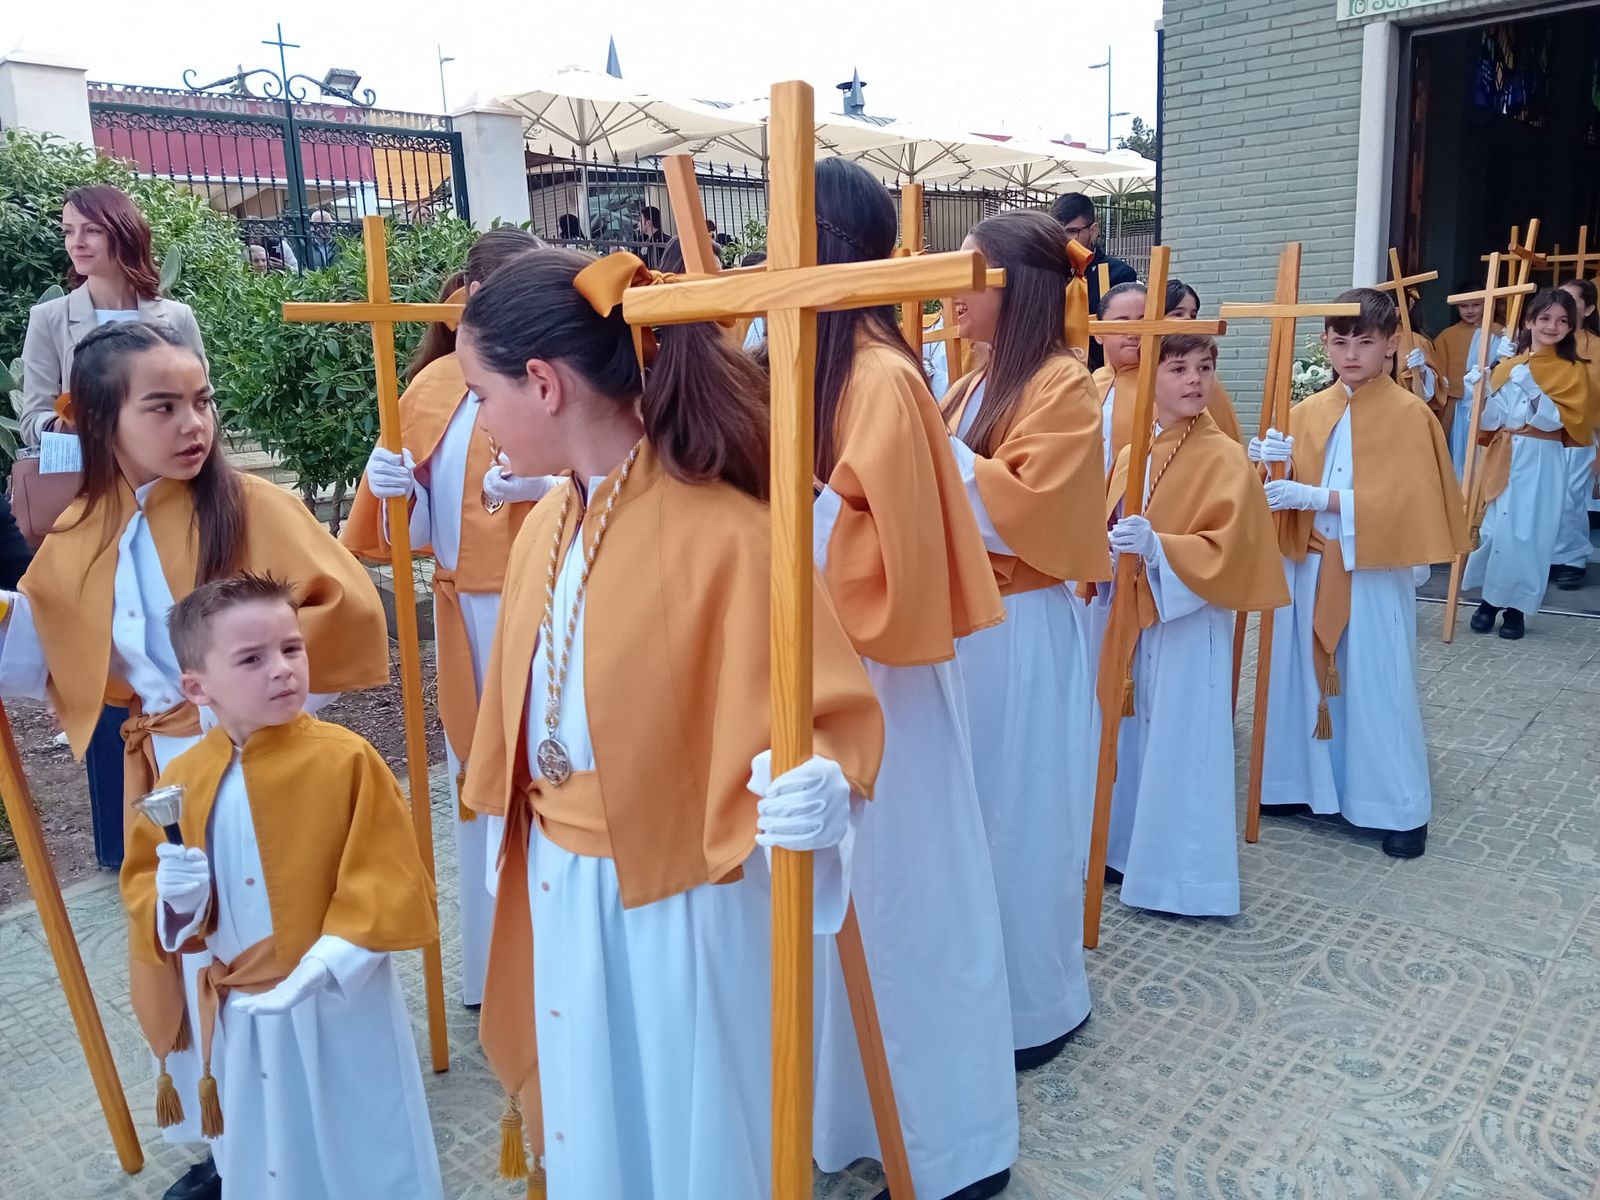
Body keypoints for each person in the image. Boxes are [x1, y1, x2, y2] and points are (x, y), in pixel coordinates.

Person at [455, 248, 885, 1199]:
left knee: (687, 1134)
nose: (479, 426)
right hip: (565, 889)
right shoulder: (545, 526)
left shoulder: (730, 534)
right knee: (595, 1130)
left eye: (482, 397)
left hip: (678, 903)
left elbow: (822, 721)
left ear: (544, 382)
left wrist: (819, 782)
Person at [0, 321, 389, 1200]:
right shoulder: (81, 533)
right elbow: (54, 647)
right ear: (101, 423)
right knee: (183, 947)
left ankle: (302, 1130)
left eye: (202, 401)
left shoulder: (251, 507)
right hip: (163, 780)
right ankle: (228, 1138)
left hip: (263, 770)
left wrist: (248, 710)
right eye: (163, 406)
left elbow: (348, 612)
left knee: (263, 945)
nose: (193, 424)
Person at [806, 158, 1016, 1200]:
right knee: (830, 893)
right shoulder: (795, 354)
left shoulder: (885, 376)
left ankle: (946, 1138)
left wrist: (789, 525)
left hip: (882, 676)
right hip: (811, 670)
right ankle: (850, 1114)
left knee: (904, 893)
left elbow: (886, 547)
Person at [120, 573, 444, 1200]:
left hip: (342, 1004)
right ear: (196, 687)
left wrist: (321, 967)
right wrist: (179, 902)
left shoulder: (346, 760)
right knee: (267, 1154)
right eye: (251, 658)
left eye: (291, 648)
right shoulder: (182, 780)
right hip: (242, 1010)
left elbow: (388, 878)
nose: (282, 670)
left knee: (364, 1147)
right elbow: (152, 907)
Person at [342, 226, 544, 1009]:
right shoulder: (432, 389)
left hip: (548, 603)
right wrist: (391, 482)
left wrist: (547, 488)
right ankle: (493, 965)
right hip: (468, 614)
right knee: (477, 780)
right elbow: (414, 536)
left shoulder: (558, 371)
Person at [940, 209, 1109, 1068]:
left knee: (1023, 813)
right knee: (969, 811)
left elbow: (1032, 511)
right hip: (965, 628)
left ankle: (1036, 1007)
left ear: (1020, 286)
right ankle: (971, 998)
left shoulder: (1062, 383)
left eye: (971, 277)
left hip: (1024, 626)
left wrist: (927, 451)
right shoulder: (971, 381)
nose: (952, 296)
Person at [1256, 288, 1467, 858]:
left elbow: (1406, 503)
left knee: (1377, 684)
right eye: (1340, 341)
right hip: (1312, 565)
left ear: (1391, 344)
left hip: (1370, 569)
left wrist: (1318, 496)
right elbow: (1276, 496)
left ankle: (1396, 805)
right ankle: (1299, 785)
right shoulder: (1306, 412)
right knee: (1303, 675)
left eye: (1365, 342)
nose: (1351, 354)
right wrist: (1268, 464)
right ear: (1325, 342)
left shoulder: (1409, 415)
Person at [1100, 334, 1288, 916]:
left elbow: (1230, 549)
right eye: (1177, 367)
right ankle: (1125, 849)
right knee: (1135, 740)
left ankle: (1184, 879)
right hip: (1135, 620)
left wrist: (1161, 550)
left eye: (1204, 368)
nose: (1193, 380)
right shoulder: (1135, 453)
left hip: (1188, 619)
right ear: (1148, 378)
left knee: (1184, 744)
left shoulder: (1224, 455)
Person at [1463, 287, 1591, 637]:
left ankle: (1517, 610)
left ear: (1570, 328)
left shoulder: (1573, 370)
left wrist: (1535, 390)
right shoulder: (1509, 366)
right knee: (1496, 529)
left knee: (1530, 533)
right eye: (1545, 317)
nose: (1553, 326)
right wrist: (1482, 392)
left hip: (1541, 458)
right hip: (1505, 453)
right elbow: (1491, 422)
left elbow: (1565, 423)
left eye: (1562, 320)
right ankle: (1489, 600)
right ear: (1530, 321)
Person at [1094, 282, 1243, 475]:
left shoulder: (1183, 382)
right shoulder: (1090, 383)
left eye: (1143, 320)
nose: (1134, 332)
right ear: (1098, 332)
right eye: (1123, 322)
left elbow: (1223, 455)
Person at [1550, 278, 1600, 589]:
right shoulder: (1549, 339)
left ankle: (1572, 557)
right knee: (1543, 495)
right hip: (1541, 430)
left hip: (1582, 431)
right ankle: (1547, 555)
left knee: (1570, 496)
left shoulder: (1596, 345)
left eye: (1572, 300)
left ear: (1590, 308)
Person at [1051, 192, 1136, 371]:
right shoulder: (1048, 273)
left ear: (1093, 230)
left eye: (1072, 231)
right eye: (1058, 233)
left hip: (1100, 375)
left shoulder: (1119, 274)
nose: (1065, 241)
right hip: (1053, 374)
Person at [1432, 282, 1503, 475]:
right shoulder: (1447, 336)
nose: (1470, 310)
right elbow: (1438, 371)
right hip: (1457, 404)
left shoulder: (1499, 333)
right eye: (1464, 306)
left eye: (1476, 305)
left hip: (1487, 403)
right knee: (1456, 454)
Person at [1165, 278, 1246, 443]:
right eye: (1178, 314)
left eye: (1192, 315)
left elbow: (1223, 432)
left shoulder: (1205, 378)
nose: (1187, 320)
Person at [1386, 294, 1443, 415]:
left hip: (1403, 413)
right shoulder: (1367, 339)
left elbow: (1427, 393)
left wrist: (1422, 371)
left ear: (1397, 311)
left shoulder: (1417, 341)